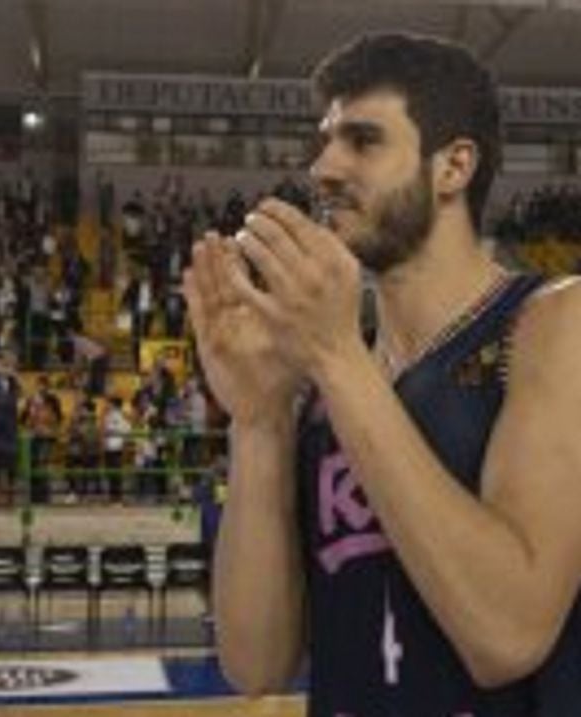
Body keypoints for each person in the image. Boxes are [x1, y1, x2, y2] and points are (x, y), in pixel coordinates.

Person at [184, 33, 581, 716]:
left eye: (363, 141)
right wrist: (259, 418)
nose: (324, 168)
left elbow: (509, 634)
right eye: (326, 140)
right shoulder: (331, 375)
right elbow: (255, 663)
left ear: (453, 167)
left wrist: (337, 359)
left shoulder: (553, 322)